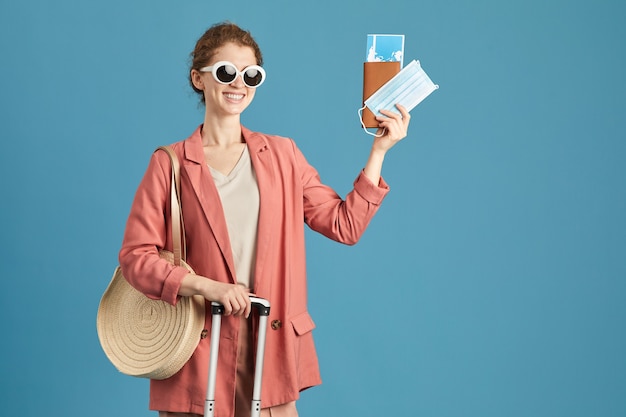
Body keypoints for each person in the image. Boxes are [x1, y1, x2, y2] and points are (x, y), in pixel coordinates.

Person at [119, 21, 410, 417]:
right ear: (198, 79)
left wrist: (379, 152)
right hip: (198, 351)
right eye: (226, 72)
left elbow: (345, 225)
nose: (239, 83)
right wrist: (209, 287)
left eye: (251, 74)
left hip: (268, 353)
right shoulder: (169, 164)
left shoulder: (283, 156)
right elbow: (136, 258)